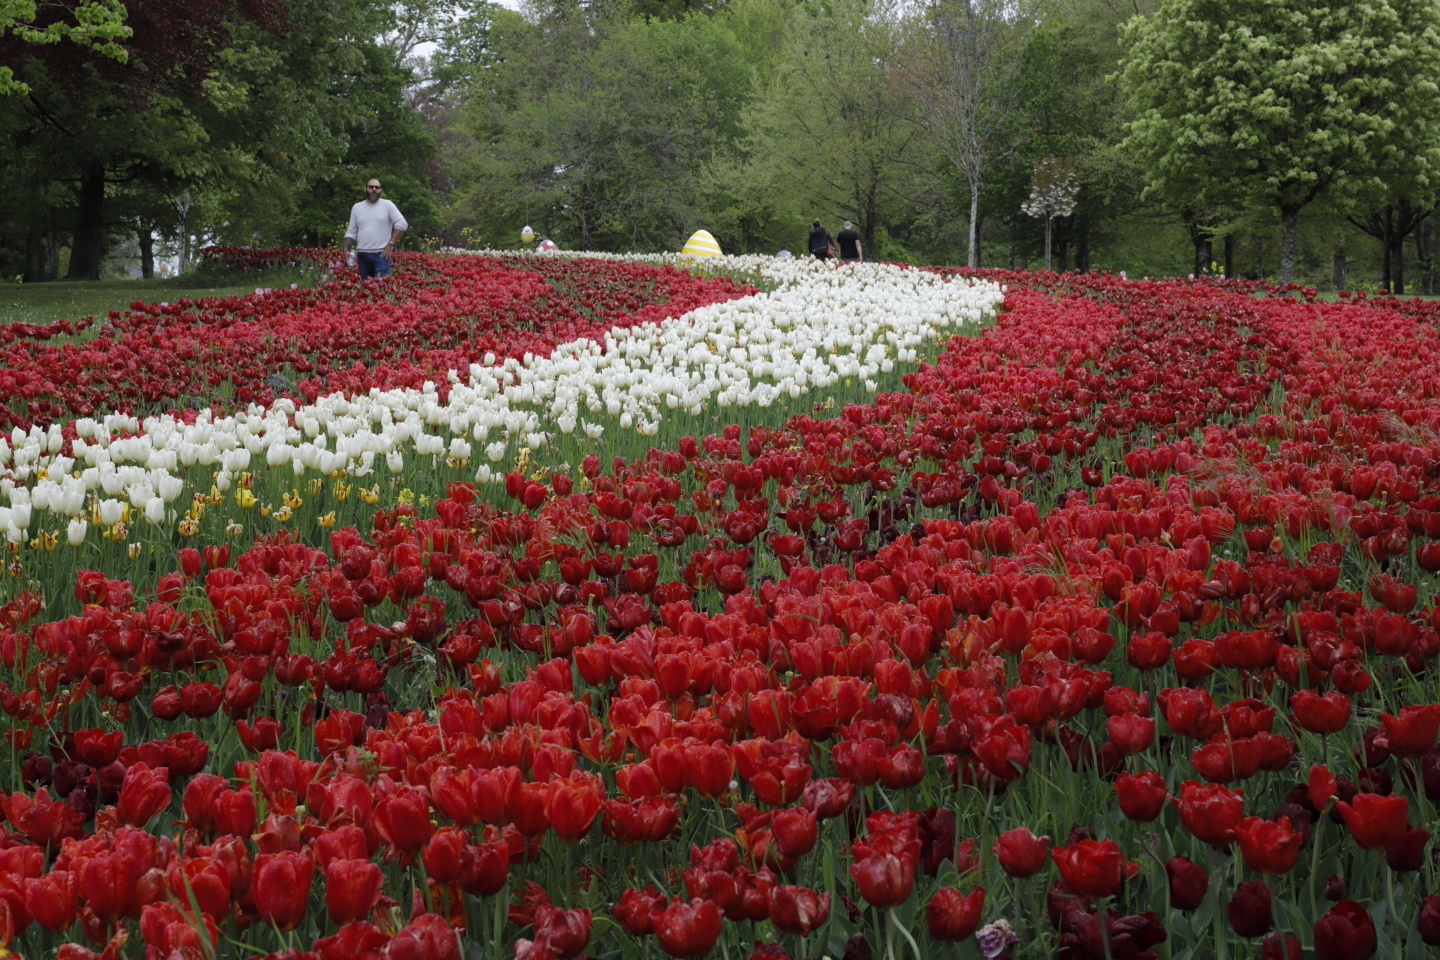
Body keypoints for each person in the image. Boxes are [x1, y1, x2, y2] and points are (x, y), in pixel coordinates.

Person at [343, 178, 407, 280]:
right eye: (371, 187)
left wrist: (390, 244)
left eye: (377, 187)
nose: (374, 189)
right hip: (362, 255)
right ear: (365, 189)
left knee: (381, 290)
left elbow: (402, 224)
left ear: (380, 190)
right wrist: (346, 249)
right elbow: (352, 231)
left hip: (381, 255)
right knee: (367, 291)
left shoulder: (388, 205)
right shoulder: (357, 207)